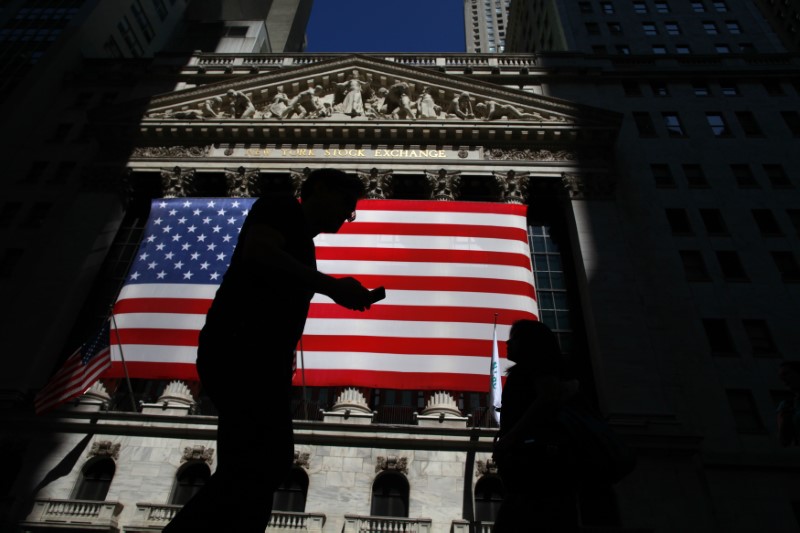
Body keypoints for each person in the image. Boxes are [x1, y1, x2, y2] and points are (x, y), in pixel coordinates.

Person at [162, 168, 375, 533]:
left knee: (255, 465)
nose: (347, 216)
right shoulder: (279, 207)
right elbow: (260, 252)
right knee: (263, 462)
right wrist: (332, 287)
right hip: (242, 350)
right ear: (320, 189)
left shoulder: (305, 246)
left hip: (262, 360)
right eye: (346, 205)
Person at [491, 319, 581, 532]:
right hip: (535, 469)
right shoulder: (535, 372)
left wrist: (511, 437)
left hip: (537, 467)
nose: (508, 343)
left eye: (514, 339)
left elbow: (548, 398)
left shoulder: (538, 370)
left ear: (529, 344)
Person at [777, 361, 800, 447]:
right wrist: (784, 418)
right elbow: (784, 441)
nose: (783, 379)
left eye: (786, 374)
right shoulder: (787, 405)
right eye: (780, 377)